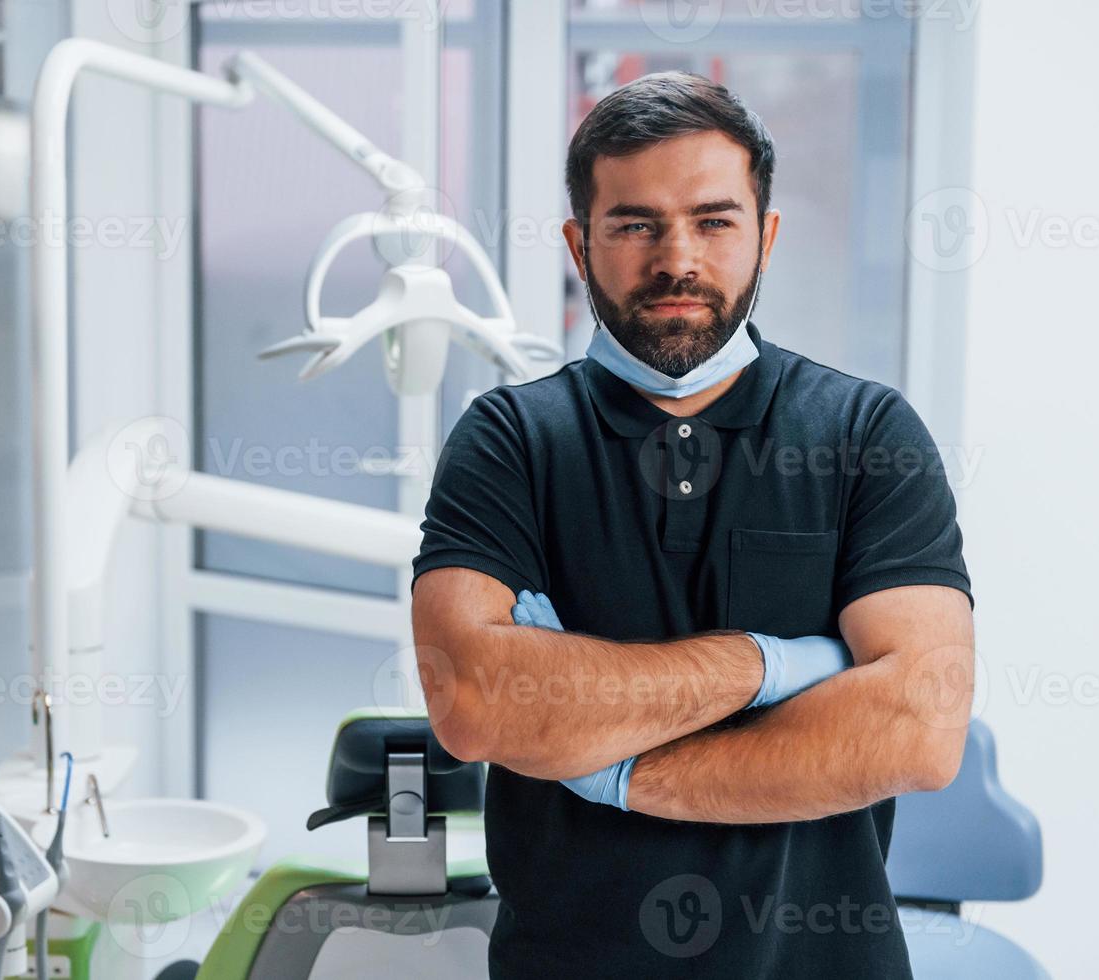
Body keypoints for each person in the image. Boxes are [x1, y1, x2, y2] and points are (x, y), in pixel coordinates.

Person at [410, 70, 975, 979]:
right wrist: (778, 663)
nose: (679, 258)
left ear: (766, 236)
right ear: (579, 244)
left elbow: (920, 724)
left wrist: (616, 771)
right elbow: (475, 703)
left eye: (715, 220)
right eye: (636, 224)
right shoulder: (511, 441)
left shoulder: (866, 435)